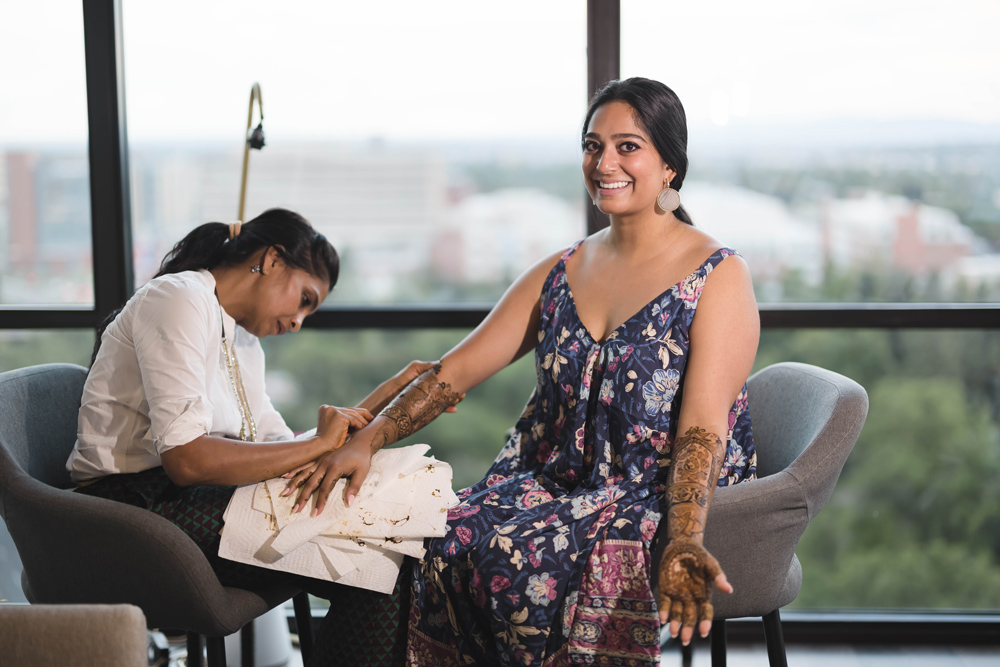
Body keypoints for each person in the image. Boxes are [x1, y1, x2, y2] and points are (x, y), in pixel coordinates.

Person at [285, 77, 759, 666]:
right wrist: (369, 438)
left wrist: (685, 536)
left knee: (514, 558)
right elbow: (454, 371)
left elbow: (702, 429)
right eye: (592, 145)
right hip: (551, 480)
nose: (604, 162)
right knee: (434, 537)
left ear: (670, 165)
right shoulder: (560, 270)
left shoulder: (719, 275)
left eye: (627, 146)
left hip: (653, 490)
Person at [68, 208, 436, 666]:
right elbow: (187, 462)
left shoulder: (244, 342)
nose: (300, 321)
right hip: (126, 511)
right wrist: (320, 444)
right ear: (273, 259)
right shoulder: (179, 298)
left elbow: (282, 448)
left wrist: (384, 399)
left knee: (384, 561)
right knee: (371, 568)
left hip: (183, 498)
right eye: (304, 298)